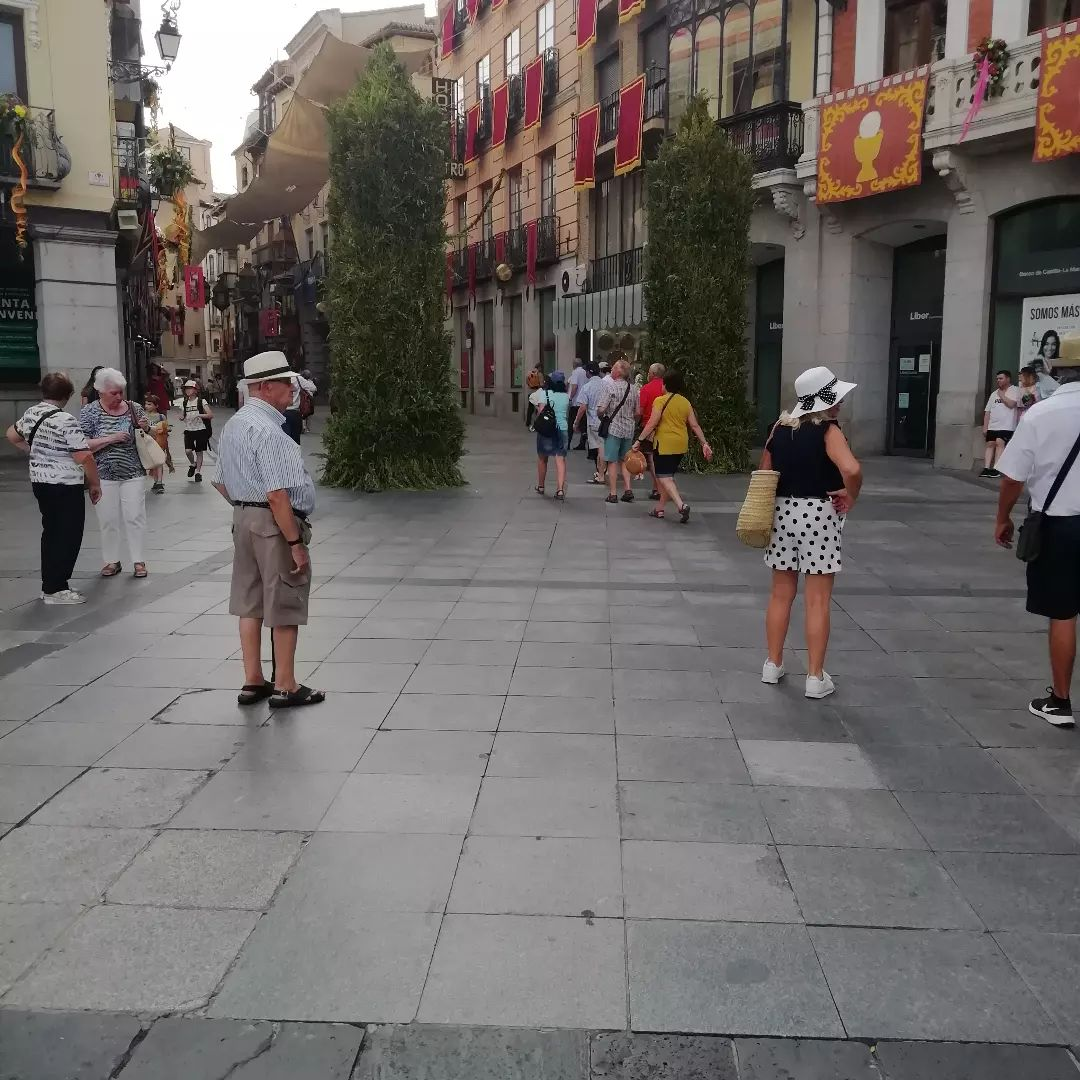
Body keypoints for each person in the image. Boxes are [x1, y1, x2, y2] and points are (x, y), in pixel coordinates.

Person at [213, 351, 325, 708]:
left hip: (244, 517)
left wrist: (246, 509)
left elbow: (220, 481)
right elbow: (277, 494)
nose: (293, 389)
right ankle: (286, 685)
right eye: (286, 383)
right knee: (285, 599)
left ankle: (253, 680)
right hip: (273, 521)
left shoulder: (234, 425)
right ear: (264, 387)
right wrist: (295, 542)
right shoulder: (270, 431)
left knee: (250, 601)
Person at [756, 366, 861, 700]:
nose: (840, 403)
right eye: (836, 398)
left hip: (781, 514)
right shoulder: (828, 430)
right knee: (817, 600)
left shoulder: (779, 428)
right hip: (819, 514)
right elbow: (851, 468)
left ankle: (773, 664)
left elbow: (764, 471)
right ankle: (815, 677)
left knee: (780, 594)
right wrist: (851, 494)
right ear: (825, 401)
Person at [995, 333, 1080, 725]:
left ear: (1055, 370)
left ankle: (1060, 702)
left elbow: (1012, 477)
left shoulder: (1042, 414)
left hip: (1059, 526)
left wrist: (1003, 518)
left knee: (1062, 614)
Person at [6, 372, 102, 604]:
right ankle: (56, 588)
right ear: (67, 395)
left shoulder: (31, 413)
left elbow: (11, 435)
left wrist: (36, 451)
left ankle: (51, 583)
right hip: (65, 485)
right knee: (68, 535)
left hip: (40, 482)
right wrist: (94, 483)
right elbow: (83, 456)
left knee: (51, 533)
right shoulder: (66, 420)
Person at [79, 367, 151, 578]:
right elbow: (82, 444)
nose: (119, 397)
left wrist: (146, 427)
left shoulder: (134, 407)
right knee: (108, 519)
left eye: (121, 392)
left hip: (133, 472)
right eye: (114, 393)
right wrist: (110, 439)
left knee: (135, 516)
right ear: (101, 391)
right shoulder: (90, 412)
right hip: (103, 473)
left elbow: (148, 433)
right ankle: (111, 560)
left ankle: (139, 560)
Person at [631, 370, 712, 524]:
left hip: (664, 444)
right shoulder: (685, 402)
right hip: (681, 444)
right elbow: (694, 425)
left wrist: (639, 440)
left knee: (664, 478)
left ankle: (681, 506)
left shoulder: (660, 401)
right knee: (667, 478)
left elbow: (652, 423)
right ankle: (660, 509)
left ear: (666, 385)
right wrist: (704, 443)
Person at [596, 357, 640, 504]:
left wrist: (601, 414)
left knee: (612, 461)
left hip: (613, 428)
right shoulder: (633, 389)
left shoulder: (610, 387)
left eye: (614, 367)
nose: (612, 369)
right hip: (629, 429)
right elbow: (638, 412)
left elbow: (601, 409)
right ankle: (628, 490)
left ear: (618, 372)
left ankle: (613, 493)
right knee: (625, 460)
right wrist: (631, 420)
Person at [529, 370, 570, 500]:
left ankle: (541, 486)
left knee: (542, 458)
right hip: (562, 429)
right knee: (560, 459)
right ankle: (560, 490)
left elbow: (541, 412)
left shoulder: (545, 394)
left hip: (547, 429)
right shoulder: (566, 396)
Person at [981, 370, 1021, 478]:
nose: (998, 380)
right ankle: (986, 468)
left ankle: (996, 469)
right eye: (997, 379)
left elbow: (1011, 404)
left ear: (1008, 379)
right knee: (990, 444)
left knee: (999, 442)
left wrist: (1002, 395)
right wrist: (985, 427)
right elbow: (987, 411)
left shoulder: (1015, 390)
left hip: (1007, 426)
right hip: (993, 425)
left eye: (1001, 378)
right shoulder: (994, 393)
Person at [573, 361, 606, 484]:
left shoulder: (587, 387)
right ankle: (603, 472)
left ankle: (600, 474)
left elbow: (582, 407)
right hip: (606, 421)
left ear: (588, 372)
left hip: (593, 421)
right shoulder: (606, 385)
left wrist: (576, 422)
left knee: (599, 449)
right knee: (604, 447)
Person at [637, 362, 666, 500]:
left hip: (649, 427)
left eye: (648, 372)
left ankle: (658, 488)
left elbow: (640, 411)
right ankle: (660, 487)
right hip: (666, 427)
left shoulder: (646, 389)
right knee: (663, 458)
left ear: (653, 374)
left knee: (652, 459)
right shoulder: (667, 388)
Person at [180, 379, 213, 482]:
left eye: (190, 388)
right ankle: (193, 464)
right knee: (188, 451)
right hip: (189, 430)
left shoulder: (201, 401)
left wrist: (199, 415)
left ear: (195, 390)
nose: (187, 390)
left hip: (200, 429)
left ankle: (198, 472)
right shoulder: (184, 402)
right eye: (186, 389)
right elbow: (183, 415)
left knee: (199, 451)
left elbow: (210, 415)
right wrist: (181, 417)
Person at [142, 392, 173, 494]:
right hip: (146, 443)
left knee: (159, 462)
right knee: (152, 463)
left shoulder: (161, 417)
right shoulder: (143, 416)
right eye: (146, 404)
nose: (147, 406)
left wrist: (165, 429)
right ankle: (156, 481)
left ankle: (159, 482)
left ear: (156, 406)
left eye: (149, 404)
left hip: (158, 443)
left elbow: (167, 428)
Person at [282, 368, 316, 444]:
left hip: (280, 411)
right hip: (294, 411)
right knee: (295, 440)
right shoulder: (298, 378)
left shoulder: (277, 378)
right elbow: (313, 388)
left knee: (282, 440)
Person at [567, 358, 589, 449]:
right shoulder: (585, 372)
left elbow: (574, 387)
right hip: (584, 402)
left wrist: (570, 398)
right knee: (583, 424)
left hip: (576, 402)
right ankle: (582, 444)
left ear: (574, 364)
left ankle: (567, 443)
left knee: (571, 423)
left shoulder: (575, 372)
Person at [299, 368, 317, 433]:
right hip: (308, 399)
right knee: (307, 413)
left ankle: (304, 427)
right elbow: (314, 389)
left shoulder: (301, 380)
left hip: (303, 399)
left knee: (304, 413)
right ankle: (306, 427)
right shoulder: (309, 382)